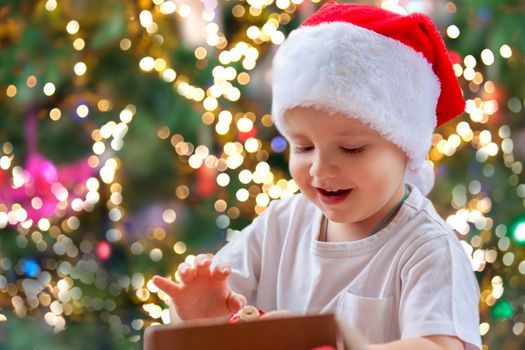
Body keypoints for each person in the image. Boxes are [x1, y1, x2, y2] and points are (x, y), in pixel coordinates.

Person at [153, 2, 482, 349]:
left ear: (405, 147)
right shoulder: (281, 225)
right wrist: (199, 315)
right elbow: (213, 326)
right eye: (304, 147)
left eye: (352, 148)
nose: (320, 169)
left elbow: (440, 345)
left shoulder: (427, 249)